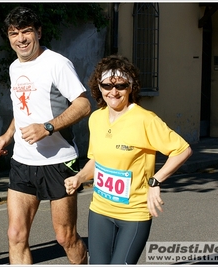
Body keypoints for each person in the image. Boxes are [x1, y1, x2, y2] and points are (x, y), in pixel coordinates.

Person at [64, 55, 193, 264]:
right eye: (107, 85)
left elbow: (182, 150)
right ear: (99, 86)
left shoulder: (145, 120)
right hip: (100, 210)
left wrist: (155, 181)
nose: (113, 92)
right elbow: (97, 161)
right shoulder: (96, 118)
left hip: (134, 213)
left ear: (130, 87)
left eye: (121, 86)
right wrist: (79, 178)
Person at [0, 6, 90, 264]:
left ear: (39, 32)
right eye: (14, 33)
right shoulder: (14, 67)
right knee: (15, 235)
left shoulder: (56, 63)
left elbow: (83, 105)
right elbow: (22, 109)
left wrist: (47, 127)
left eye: (26, 32)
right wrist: (7, 135)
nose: (21, 39)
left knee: (65, 237)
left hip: (59, 162)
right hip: (23, 163)